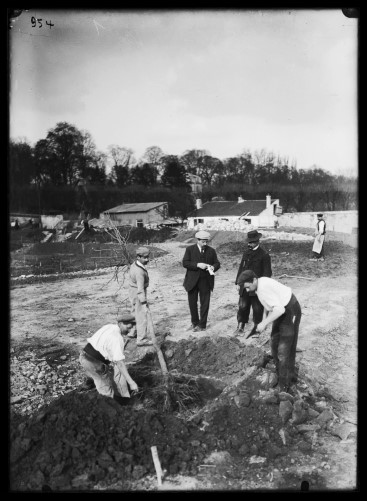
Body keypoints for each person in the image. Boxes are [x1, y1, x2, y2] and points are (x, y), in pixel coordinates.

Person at [237, 270, 302, 393]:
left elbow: (279, 310)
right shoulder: (258, 285)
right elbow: (269, 305)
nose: (247, 290)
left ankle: (285, 385)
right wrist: (265, 319)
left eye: (248, 287)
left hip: (289, 310)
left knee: (284, 349)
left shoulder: (263, 288)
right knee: (274, 342)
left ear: (254, 280)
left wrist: (264, 323)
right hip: (280, 309)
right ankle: (280, 373)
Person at [79, 311, 139, 405]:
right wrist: (131, 382)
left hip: (83, 356)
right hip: (94, 364)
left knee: (99, 373)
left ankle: (89, 381)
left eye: (131, 327)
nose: (129, 330)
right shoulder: (117, 338)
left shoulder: (109, 326)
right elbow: (120, 363)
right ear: (120, 323)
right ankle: (111, 407)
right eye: (128, 327)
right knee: (106, 392)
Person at [234, 229, 272, 337]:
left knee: (257, 308)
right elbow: (241, 269)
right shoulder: (246, 253)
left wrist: (259, 285)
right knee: (242, 306)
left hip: (256, 286)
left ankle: (256, 328)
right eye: (249, 242)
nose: (249, 243)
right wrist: (238, 283)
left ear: (257, 241)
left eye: (252, 242)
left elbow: (267, 273)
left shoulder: (264, 255)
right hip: (244, 285)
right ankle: (240, 327)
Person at [182, 230, 221, 332]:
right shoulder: (190, 249)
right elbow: (185, 263)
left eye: (206, 241)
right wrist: (197, 265)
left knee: (205, 303)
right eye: (203, 241)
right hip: (192, 281)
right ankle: (195, 323)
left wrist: (213, 267)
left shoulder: (211, 251)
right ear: (197, 240)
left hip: (206, 281)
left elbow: (217, 263)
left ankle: (202, 325)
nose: (205, 244)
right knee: (192, 303)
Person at [128, 246, 154, 346]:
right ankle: (141, 339)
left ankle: (132, 332)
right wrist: (144, 303)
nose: (147, 259)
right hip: (138, 293)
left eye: (148, 257)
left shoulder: (135, 265)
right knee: (142, 315)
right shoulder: (139, 272)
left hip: (132, 291)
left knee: (134, 312)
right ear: (138, 257)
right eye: (145, 258)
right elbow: (140, 290)